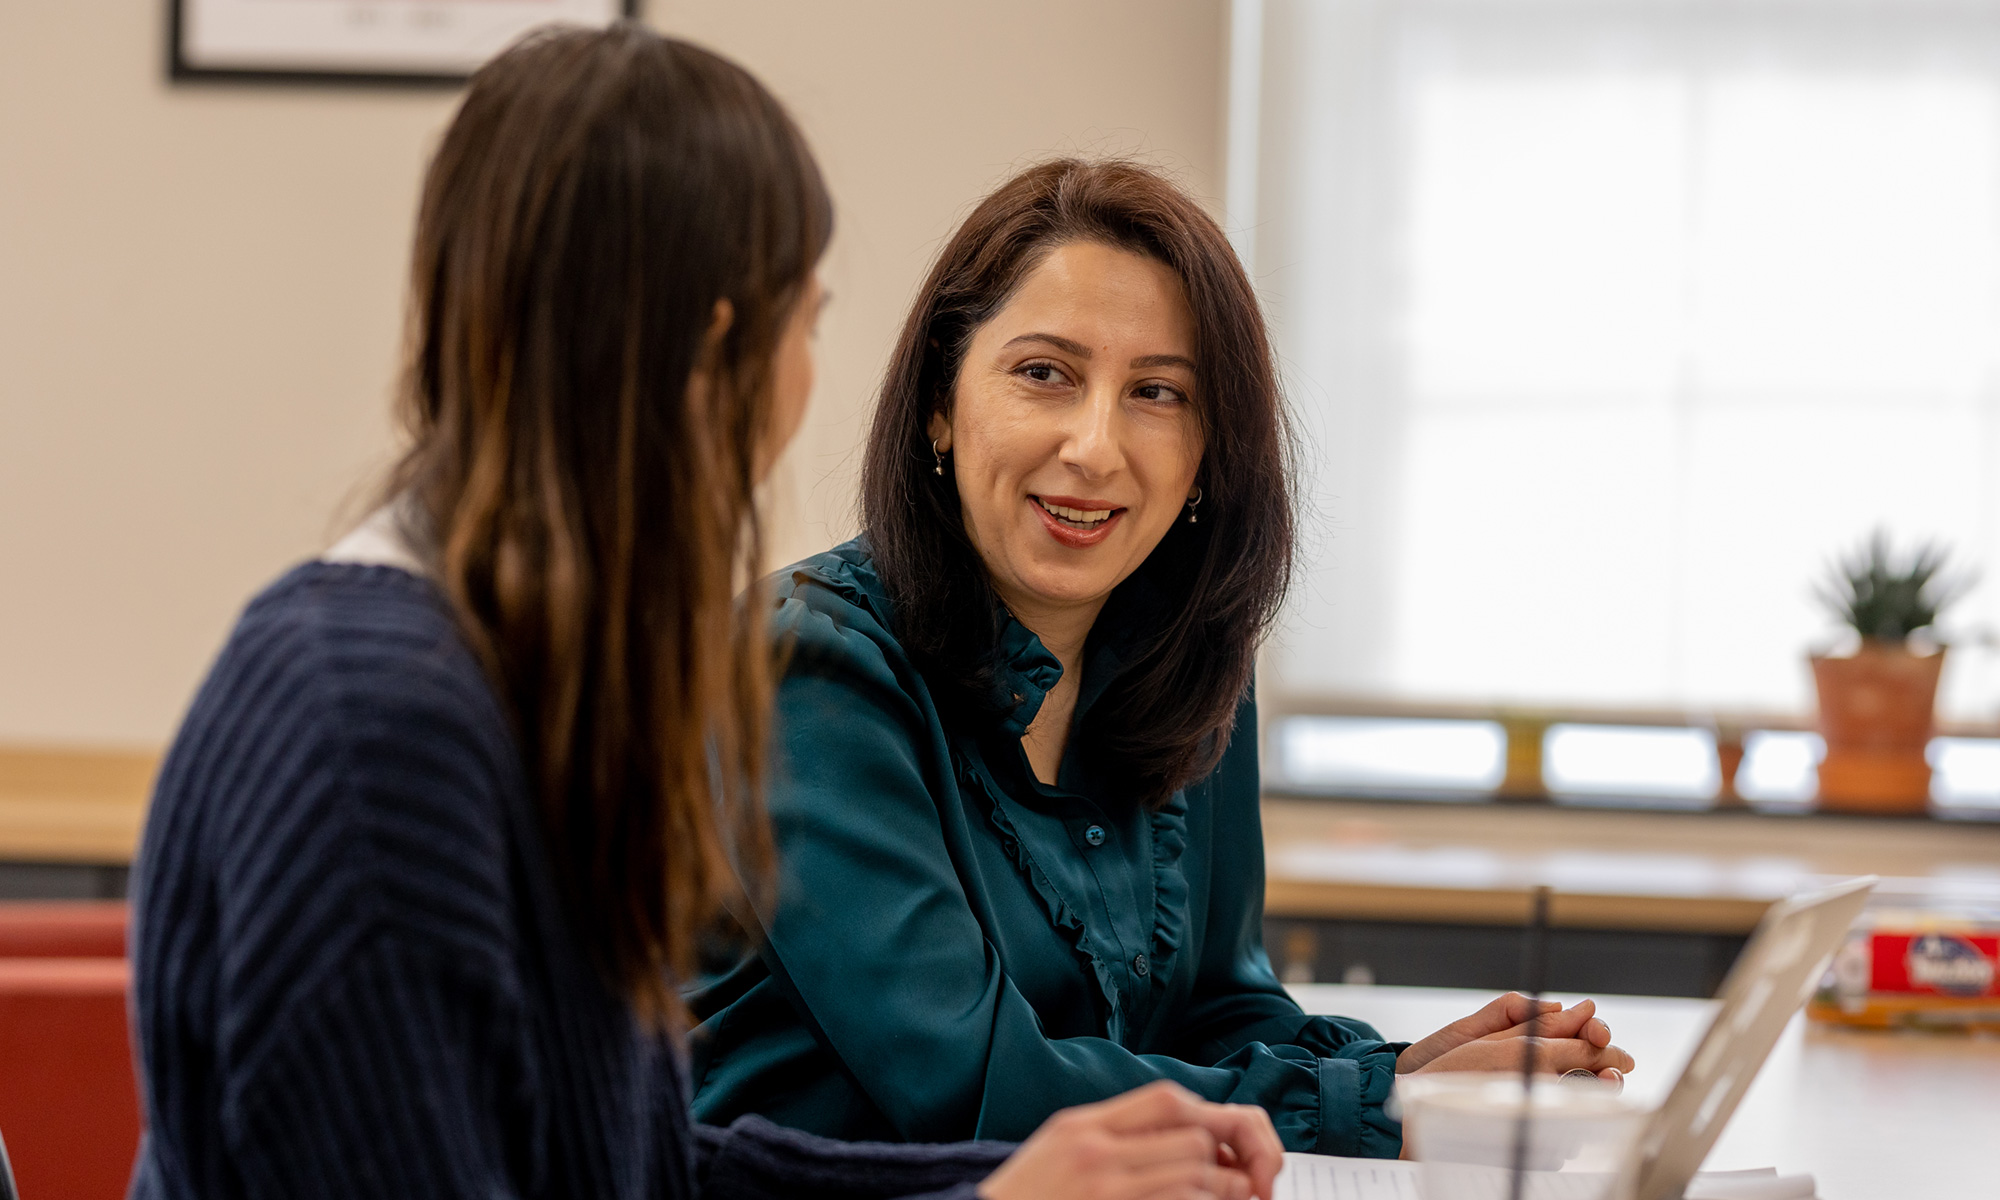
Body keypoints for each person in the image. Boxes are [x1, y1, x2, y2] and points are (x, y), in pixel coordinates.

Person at [128, 27, 1289, 1200]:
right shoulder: (379, 724)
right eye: (805, 316)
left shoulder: (525, 679)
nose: (806, 378)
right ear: (712, 346)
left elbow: (633, 1170)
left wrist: (992, 1193)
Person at [688, 159, 1634, 1156]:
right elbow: (971, 1082)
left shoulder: (1193, 659)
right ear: (938, 402)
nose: (1094, 447)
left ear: (1203, 458)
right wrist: (1375, 1108)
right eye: (1043, 373)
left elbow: (1218, 1016)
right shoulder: (803, 671)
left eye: (1156, 392)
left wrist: (1410, 1075)